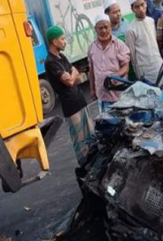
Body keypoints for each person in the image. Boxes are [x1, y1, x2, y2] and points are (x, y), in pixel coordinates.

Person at [44, 26, 93, 166]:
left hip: (80, 101)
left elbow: (75, 73)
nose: (65, 41)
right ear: (54, 41)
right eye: (62, 39)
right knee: (81, 142)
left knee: (91, 136)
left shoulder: (62, 57)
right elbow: (71, 80)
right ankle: (87, 169)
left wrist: (72, 75)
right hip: (71, 108)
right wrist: (72, 75)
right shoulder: (51, 62)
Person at [88, 14, 130, 113]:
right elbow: (91, 70)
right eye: (100, 28)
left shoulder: (119, 45)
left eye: (106, 27)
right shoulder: (91, 48)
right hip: (102, 97)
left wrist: (115, 76)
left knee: (122, 124)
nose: (104, 31)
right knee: (106, 125)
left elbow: (125, 67)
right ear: (95, 29)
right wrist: (92, 90)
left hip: (118, 96)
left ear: (110, 26)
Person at [125, 0, 163, 83]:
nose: (141, 9)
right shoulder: (130, 30)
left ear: (146, 3)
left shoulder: (151, 21)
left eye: (142, 5)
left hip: (159, 65)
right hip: (145, 71)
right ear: (132, 9)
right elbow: (133, 57)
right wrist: (139, 76)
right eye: (137, 7)